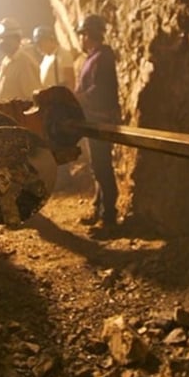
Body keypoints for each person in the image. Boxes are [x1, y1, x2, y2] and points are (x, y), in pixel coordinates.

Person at [74, 14, 120, 230]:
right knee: (97, 165)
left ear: (88, 35)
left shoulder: (103, 57)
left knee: (102, 166)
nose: (80, 39)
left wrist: (78, 98)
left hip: (102, 120)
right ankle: (99, 207)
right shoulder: (94, 57)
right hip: (93, 119)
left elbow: (100, 90)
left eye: (82, 34)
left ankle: (108, 216)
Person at [0, 17, 41, 102]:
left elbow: (33, 99)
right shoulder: (6, 61)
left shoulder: (24, 63)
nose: (1, 42)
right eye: (0, 38)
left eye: (6, 38)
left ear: (17, 39)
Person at [33, 25, 75, 90]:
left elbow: (70, 82)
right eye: (37, 43)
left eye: (40, 42)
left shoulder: (64, 55)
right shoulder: (46, 57)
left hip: (58, 97)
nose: (38, 46)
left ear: (50, 39)